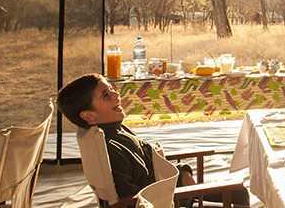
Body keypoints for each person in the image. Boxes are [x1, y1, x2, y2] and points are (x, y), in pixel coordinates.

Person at [57, 74, 248, 208]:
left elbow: (148, 163)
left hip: (171, 192)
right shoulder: (110, 149)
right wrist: (178, 192)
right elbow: (132, 201)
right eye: (106, 95)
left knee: (239, 193)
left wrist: (181, 172)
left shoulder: (115, 130)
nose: (116, 94)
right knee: (237, 191)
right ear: (89, 115)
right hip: (167, 201)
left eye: (112, 88)